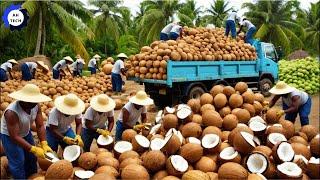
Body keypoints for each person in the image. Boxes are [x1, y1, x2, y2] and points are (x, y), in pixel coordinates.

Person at [0, 84, 52, 179]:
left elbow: (40, 126)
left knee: (32, 158)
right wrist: (33, 148)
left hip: (25, 132)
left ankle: (32, 176)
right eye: (31, 101)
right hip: (10, 136)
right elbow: (15, 137)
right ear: (23, 99)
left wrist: (44, 143)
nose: (34, 103)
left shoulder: (36, 106)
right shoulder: (11, 112)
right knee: (18, 161)